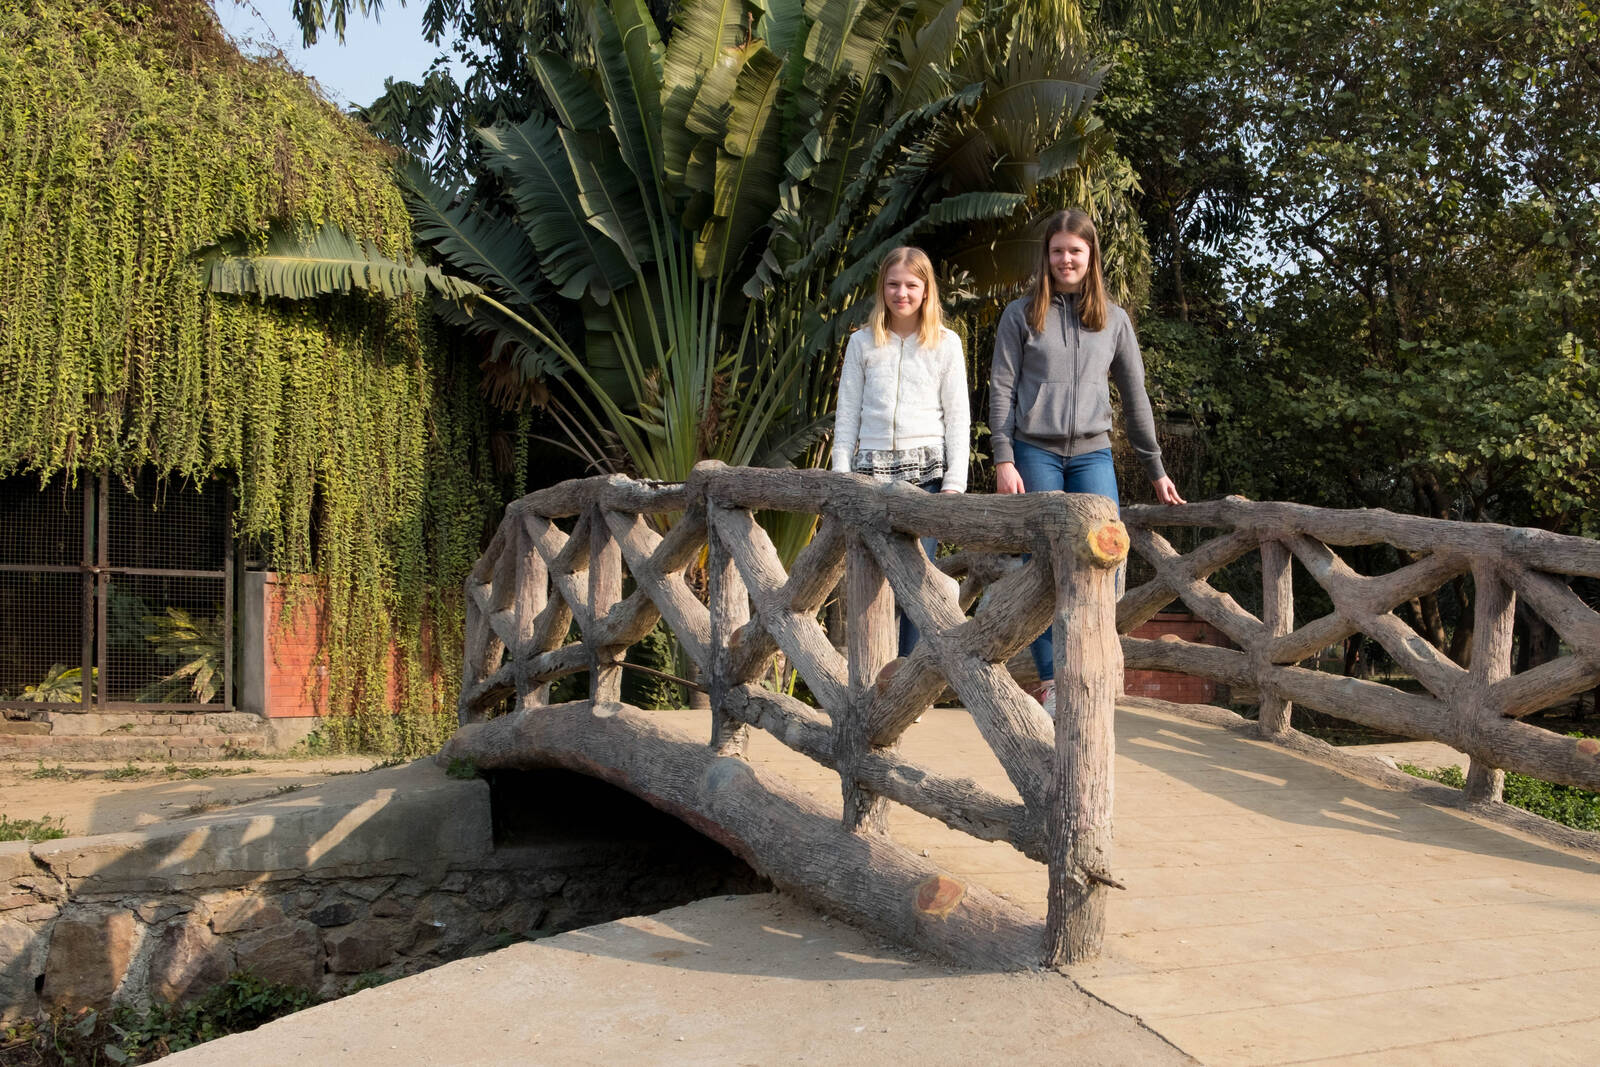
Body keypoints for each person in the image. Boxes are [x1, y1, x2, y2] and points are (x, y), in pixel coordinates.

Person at [989, 209, 1185, 716]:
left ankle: (1092, 664)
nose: (1066, 259)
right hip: (1035, 450)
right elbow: (1002, 389)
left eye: (1075, 250)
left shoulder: (1113, 320)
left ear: (1091, 255)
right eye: (1057, 251)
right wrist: (1004, 458)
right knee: (1043, 563)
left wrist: (1156, 468)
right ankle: (1053, 681)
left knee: (1108, 555)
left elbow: (1135, 397)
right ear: (1047, 256)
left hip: (1092, 452)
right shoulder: (1021, 315)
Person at [832, 246, 969, 656]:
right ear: (882, 288)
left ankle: (911, 673)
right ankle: (873, 676)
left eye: (911, 285)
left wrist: (954, 483)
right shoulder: (862, 343)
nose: (901, 293)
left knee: (917, 583)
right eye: (893, 284)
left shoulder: (945, 344)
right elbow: (847, 413)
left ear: (926, 290)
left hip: (926, 478)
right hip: (869, 477)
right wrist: (841, 475)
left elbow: (957, 417)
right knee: (869, 581)